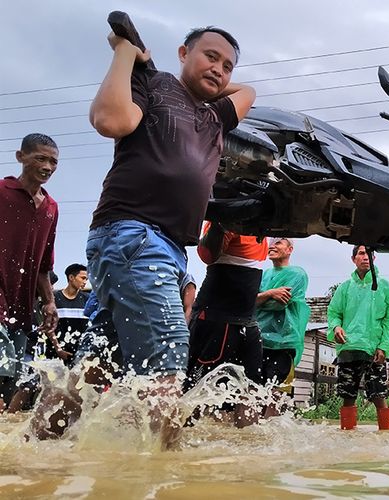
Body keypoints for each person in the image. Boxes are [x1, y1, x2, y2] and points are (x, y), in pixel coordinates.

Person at [31, 26, 256, 444]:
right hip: (134, 235)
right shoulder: (154, 83)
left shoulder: (214, 117)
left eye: (227, 66)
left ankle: (32, 451)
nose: (220, 70)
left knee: (95, 365)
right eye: (209, 56)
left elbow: (249, 92)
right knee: (169, 350)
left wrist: (212, 82)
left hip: (164, 248)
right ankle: (163, 472)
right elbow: (110, 120)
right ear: (182, 52)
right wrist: (126, 53)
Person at [0, 134, 64, 411]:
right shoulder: (1, 192)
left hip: (23, 303)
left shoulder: (51, 207)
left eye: (53, 161)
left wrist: (49, 301)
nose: (48, 166)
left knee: (14, 371)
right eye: (40, 158)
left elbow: (45, 266)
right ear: (20, 157)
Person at [185, 221, 268, 427]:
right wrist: (222, 222)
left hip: (248, 321)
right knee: (198, 387)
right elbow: (207, 255)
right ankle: (181, 441)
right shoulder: (223, 216)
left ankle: (243, 446)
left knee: (252, 390)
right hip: (216, 317)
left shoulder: (263, 220)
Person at [327, 246, 389, 431]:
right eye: (361, 253)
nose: (365, 257)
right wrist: (336, 327)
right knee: (347, 395)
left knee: (378, 395)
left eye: (369, 254)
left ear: (374, 257)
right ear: (353, 259)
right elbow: (334, 312)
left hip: (374, 349)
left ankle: (386, 436)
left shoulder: (384, 286)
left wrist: (384, 346)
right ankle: (347, 436)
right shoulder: (344, 288)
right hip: (348, 348)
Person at [256, 238, 310, 416]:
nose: (272, 246)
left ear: (289, 249)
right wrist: (271, 293)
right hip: (260, 340)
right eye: (270, 243)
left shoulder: (297, 274)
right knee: (255, 393)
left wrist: (261, 298)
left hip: (284, 343)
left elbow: (278, 305)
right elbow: (250, 302)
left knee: (276, 395)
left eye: (278, 243)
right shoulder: (264, 275)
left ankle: (272, 436)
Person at [47, 263, 90, 365]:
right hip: (55, 355)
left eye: (86, 279)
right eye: (82, 278)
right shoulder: (53, 298)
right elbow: (48, 326)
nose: (85, 282)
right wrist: (58, 349)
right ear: (71, 277)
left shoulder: (87, 299)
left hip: (79, 356)